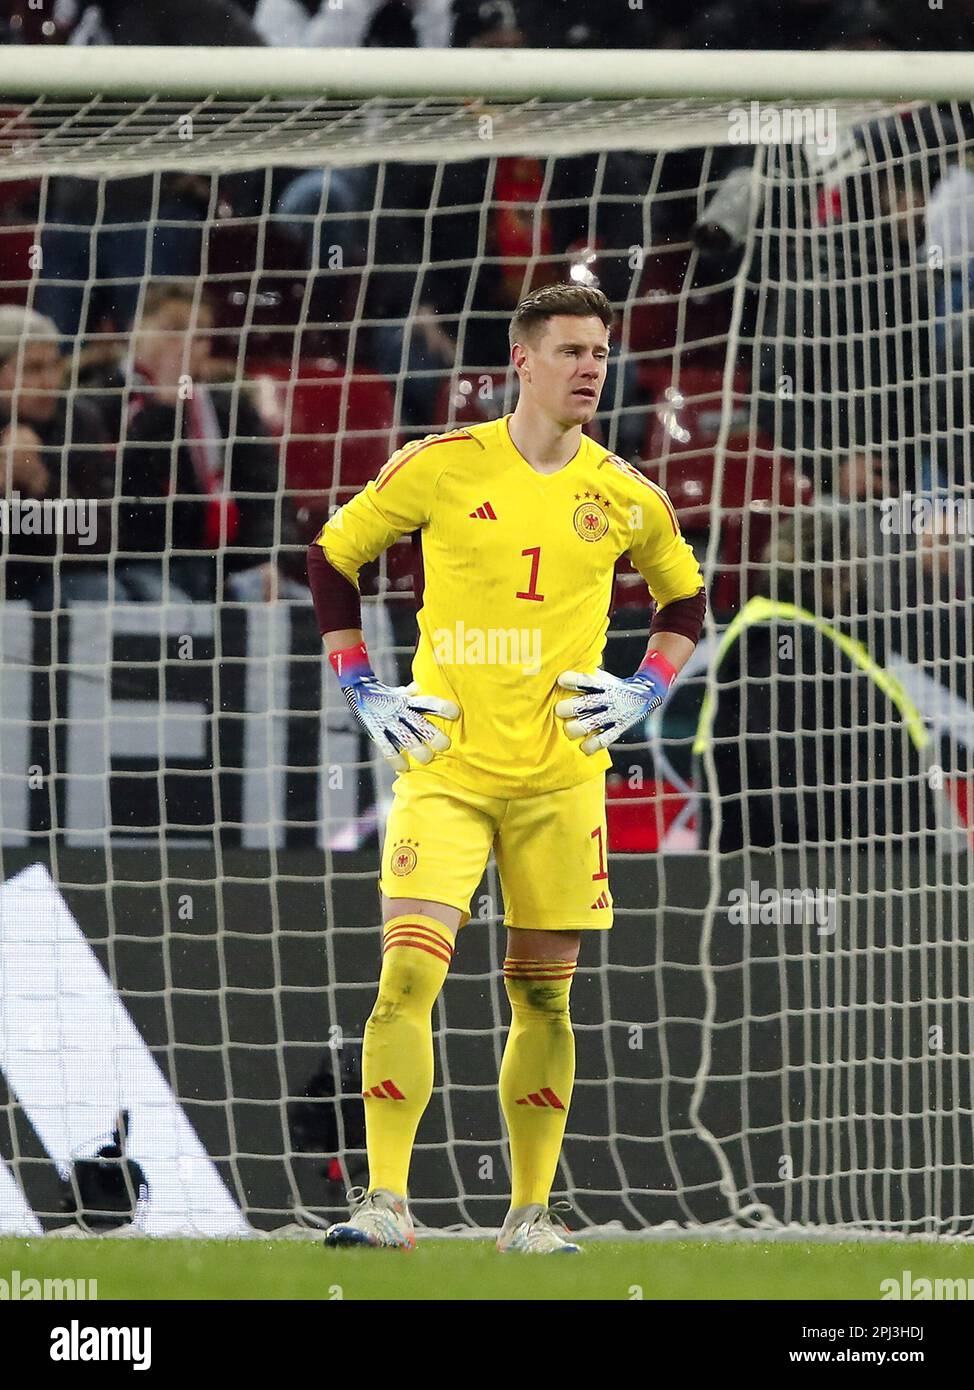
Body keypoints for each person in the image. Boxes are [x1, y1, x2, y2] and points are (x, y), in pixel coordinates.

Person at [306, 282, 706, 1251]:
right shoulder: (441, 466)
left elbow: (683, 602)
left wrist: (646, 689)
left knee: (542, 994)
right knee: (406, 975)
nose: (589, 369)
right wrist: (361, 684)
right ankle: (385, 1202)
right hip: (444, 770)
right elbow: (331, 557)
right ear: (519, 361)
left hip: (560, 779)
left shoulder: (621, 490)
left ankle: (529, 1211)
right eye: (570, 350)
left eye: (600, 353)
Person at [87, 282, 304, 603]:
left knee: (314, 611)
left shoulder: (229, 405)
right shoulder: (97, 400)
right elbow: (120, 505)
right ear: (136, 330)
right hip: (136, 567)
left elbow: (267, 492)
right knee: (179, 615)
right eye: (174, 330)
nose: (187, 344)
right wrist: (162, 409)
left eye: (200, 335)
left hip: (223, 568)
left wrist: (268, 560)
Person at [0, 304, 114, 607]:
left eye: (54, 366)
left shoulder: (81, 421)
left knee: (98, 592)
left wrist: (40, 482)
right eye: (33, 369)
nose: (50, 382)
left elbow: (100, 538)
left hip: (57, 576)